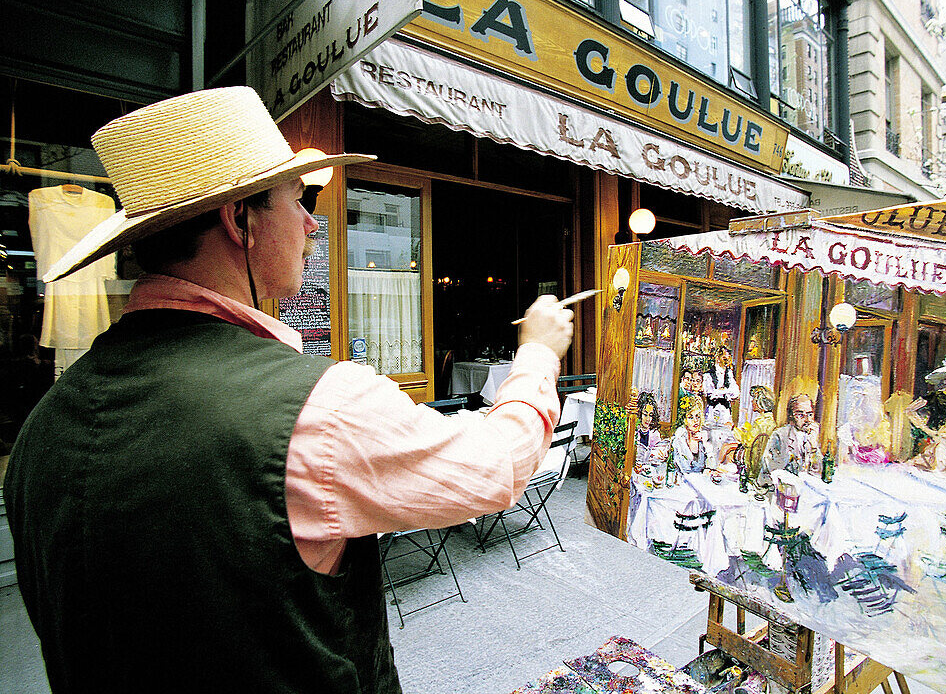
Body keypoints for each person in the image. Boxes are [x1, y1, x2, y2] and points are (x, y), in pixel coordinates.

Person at [1, 87, 574, 693]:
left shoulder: (42, 428)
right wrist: (537, 353)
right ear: (239, 219)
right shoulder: (319, 408)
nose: (312, 226)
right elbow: (492, 469)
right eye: (298, 202)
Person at [760, 394, 820, 484]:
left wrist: (814, 447)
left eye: (810, 414)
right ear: (791, 415)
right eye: (800, 415)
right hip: (778, 487)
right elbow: (771, 468)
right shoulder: (780, 435)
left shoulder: (811, 435)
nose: (807, 420)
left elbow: (819, 473)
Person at [671, 395, 711, 478]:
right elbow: (684, 469)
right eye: (690, 417)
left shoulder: (704, 438)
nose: (695, 421)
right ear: (684, 420)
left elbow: (712, 467)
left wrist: (706, 443)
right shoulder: (678, 440)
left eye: (698, 416)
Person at [702, 345, 739, 427]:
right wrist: (726, 391)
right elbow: (708, 392)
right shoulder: (708, 375)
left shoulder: (729, 374)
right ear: (717, 358)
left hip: (725, 411)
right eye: (724, 359)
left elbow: (736, 392)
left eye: (728, 359)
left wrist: (723, 391)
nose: (727, 362)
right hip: (712, 410)